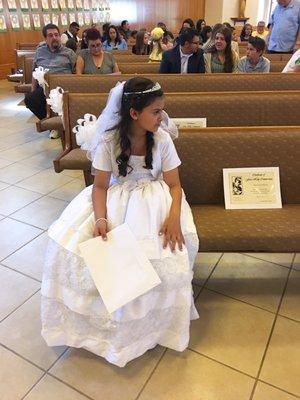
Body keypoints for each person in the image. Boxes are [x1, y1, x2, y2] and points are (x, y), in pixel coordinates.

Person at [41, 76, 199, 368]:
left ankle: (156, 326)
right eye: (155, 111)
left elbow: (175, 186)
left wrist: (173, 216)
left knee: (162, 255)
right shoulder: (108, 141)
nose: (162, 117)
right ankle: (110, 327)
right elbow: (99, 186)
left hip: (156, 201)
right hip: (116, 199)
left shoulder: (161, 139)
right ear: (134, 113)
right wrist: (101, 218)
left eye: (162, 110)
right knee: (86, 252)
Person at [24, 23, 76, 132]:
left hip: (64, 88)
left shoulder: (69, 53)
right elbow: (35, 71)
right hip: (45, 89)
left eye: (56, 35)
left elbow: (76, 73)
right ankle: (53, 125)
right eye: (50, 36)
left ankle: (66, 124)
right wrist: (33, 90)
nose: (54, 38)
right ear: (45, 39)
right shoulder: (40, 52)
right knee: (30, 99)